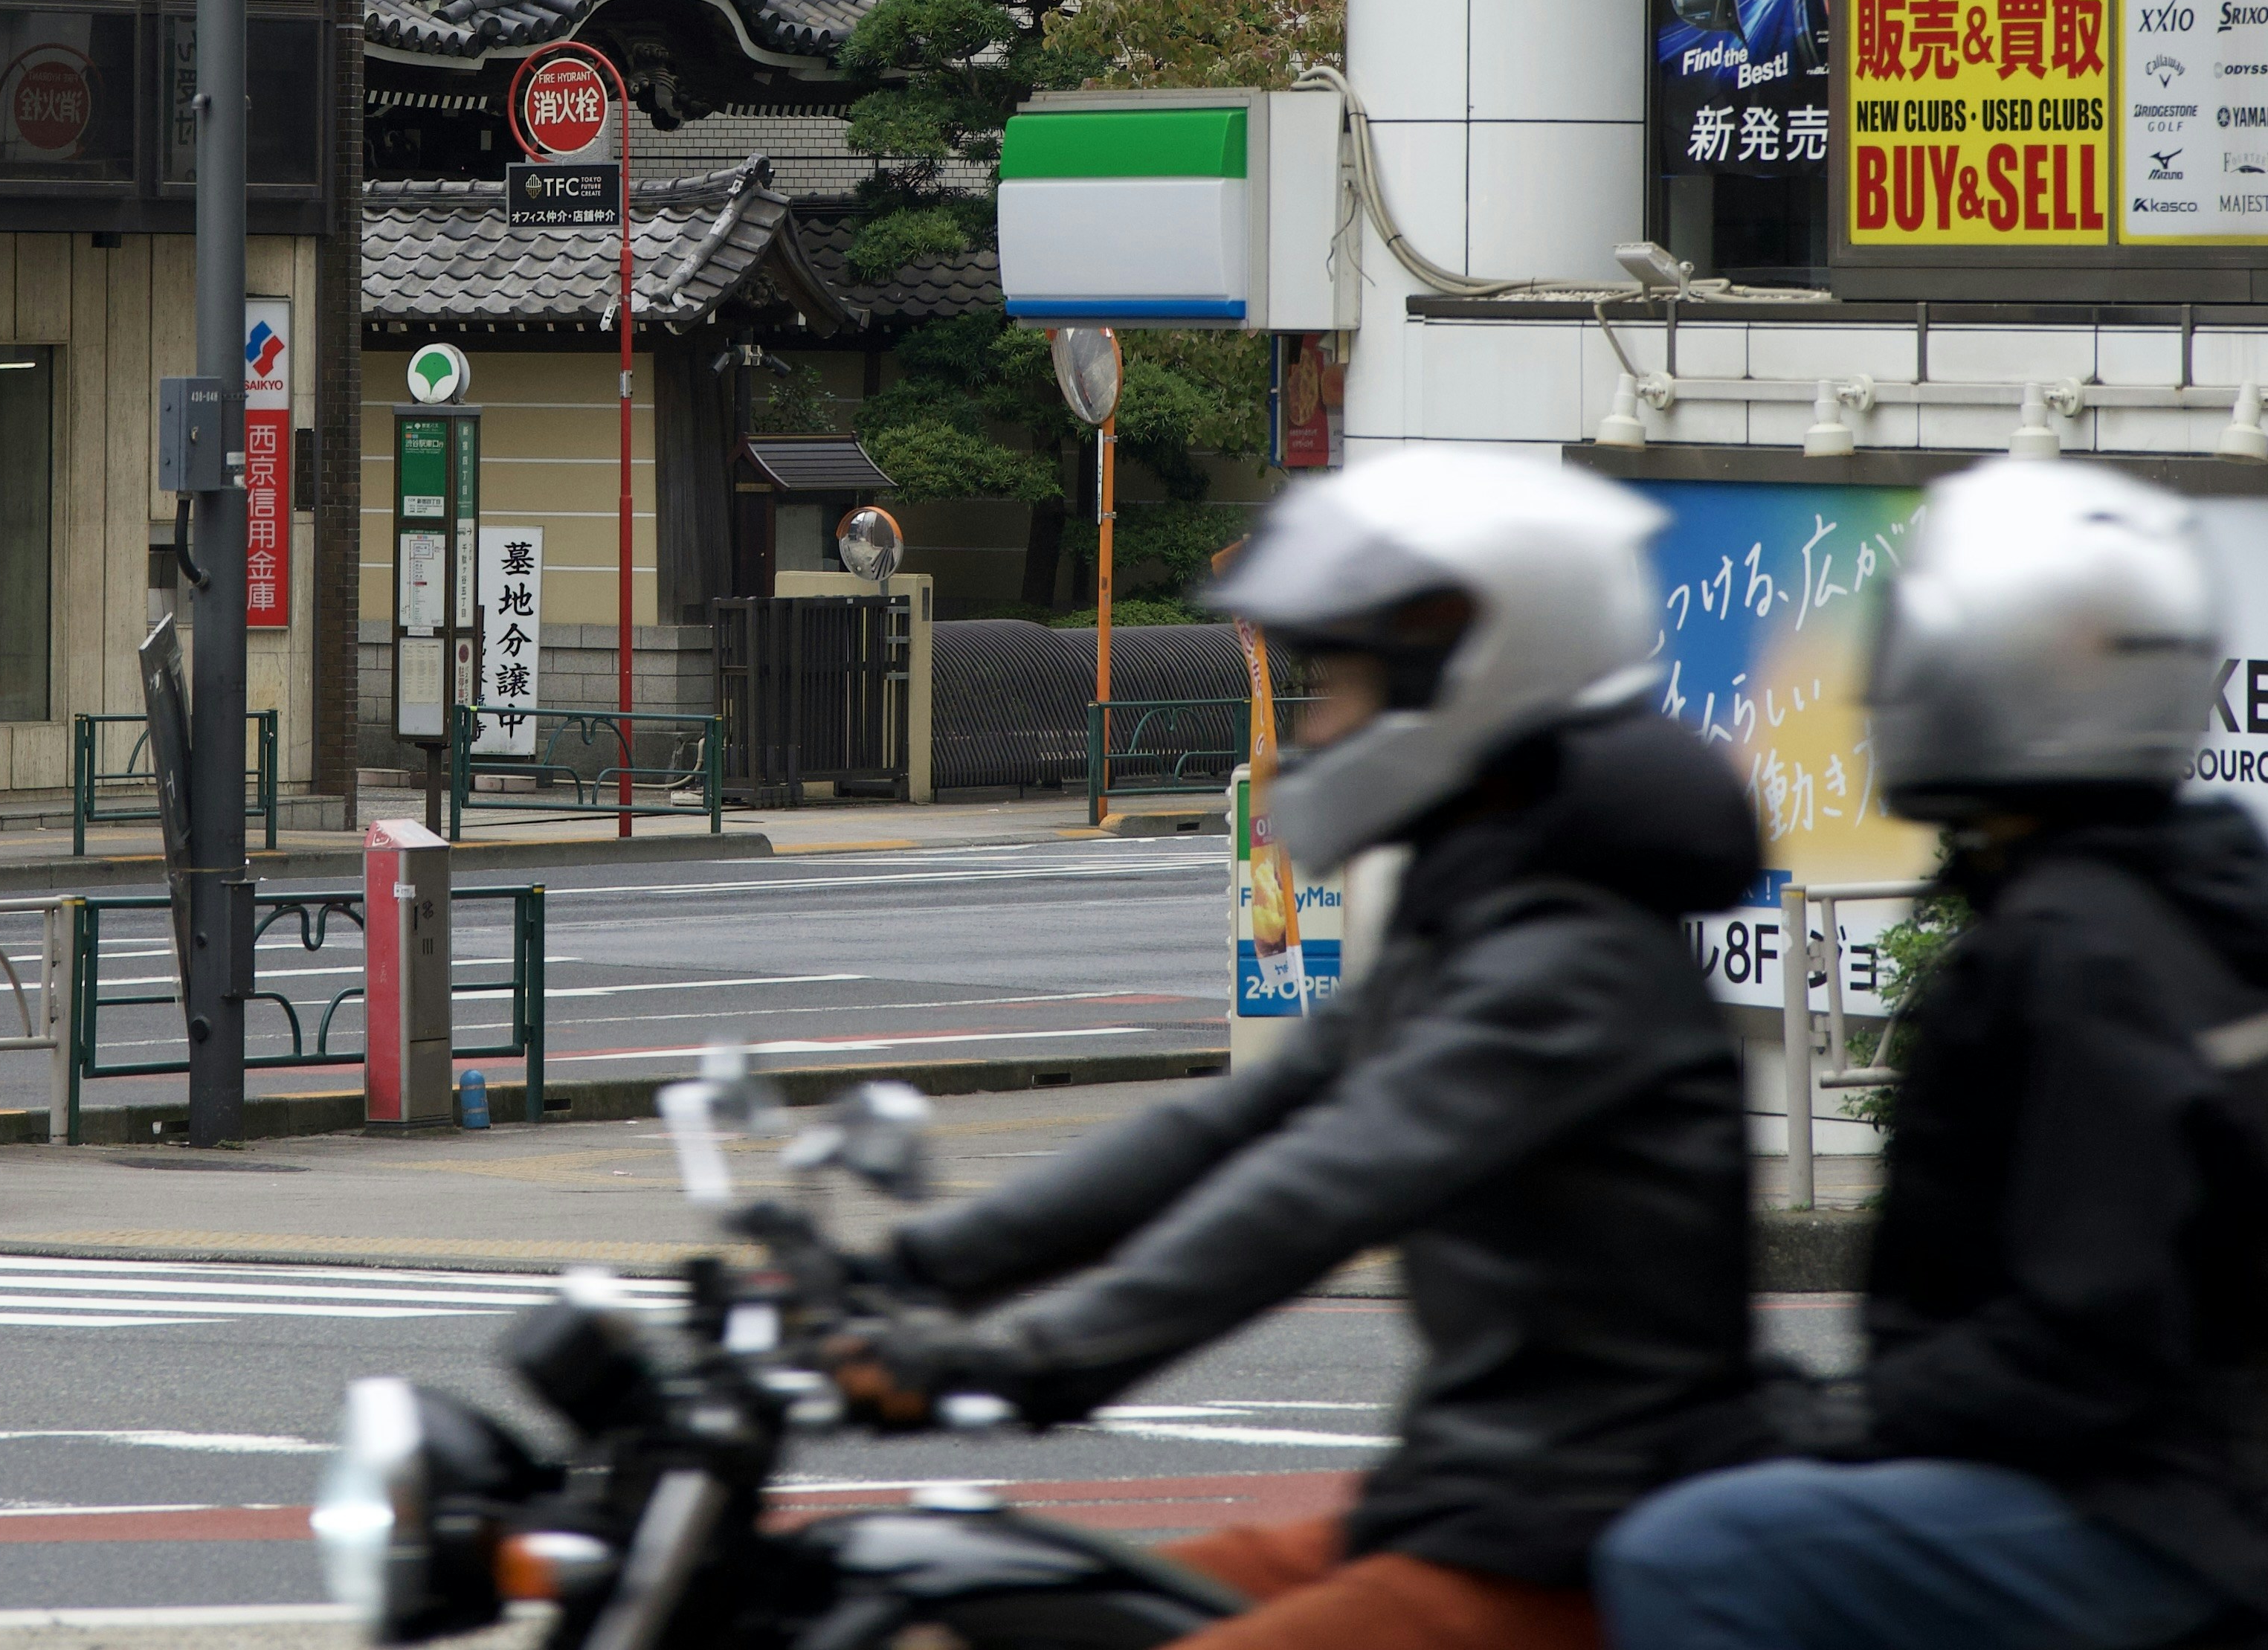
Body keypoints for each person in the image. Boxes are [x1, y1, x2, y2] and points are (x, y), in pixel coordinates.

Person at [828, 448, 1768, 1650]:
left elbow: (1317, 1187)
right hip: (1461, 1507)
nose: (1314, 723)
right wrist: (908, 1269)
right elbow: (1230, 1123)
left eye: (1340, 683)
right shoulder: (1483, 910)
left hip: (1564, 1546)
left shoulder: (1565, 964)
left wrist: (1025, 1354)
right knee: (991, 1603)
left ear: (1466, 677)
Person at [1595, 460, 2268, 1650]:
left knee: (1690, 1553)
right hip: (2191, 1472)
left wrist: (1832, 1418)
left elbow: (2080, 1333)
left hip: (2159, 1501)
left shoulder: (2072, 955)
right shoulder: (2194, 904)